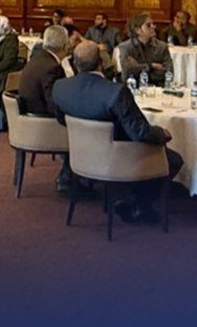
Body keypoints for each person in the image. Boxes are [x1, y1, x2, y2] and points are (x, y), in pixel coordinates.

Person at [52, 41, 182, 224]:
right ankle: (138, 204)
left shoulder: (60, 87)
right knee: (173, 159)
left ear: (75, 63)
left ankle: (122, 194)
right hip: (116, 157)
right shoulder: (115, 92)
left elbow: (61, 119)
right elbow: (140, 132)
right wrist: (162, 133)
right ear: (101, 62)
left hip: (79, 155)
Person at [18, 26, 69, 117]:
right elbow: (54, 103)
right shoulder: (53, 68)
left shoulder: (35, 59)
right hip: (42, 119)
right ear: (64, 46)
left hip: (27, 116)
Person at [118, 13, 173, 86]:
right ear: (138, 30)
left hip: (157, 88)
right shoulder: (125, 47)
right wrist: (152, 66)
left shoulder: (162, 47)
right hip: (133, 87)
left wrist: (138, 67)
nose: (153, 27)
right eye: (148, 25)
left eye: (153, 24)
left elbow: (169, 72)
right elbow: (127, 71)